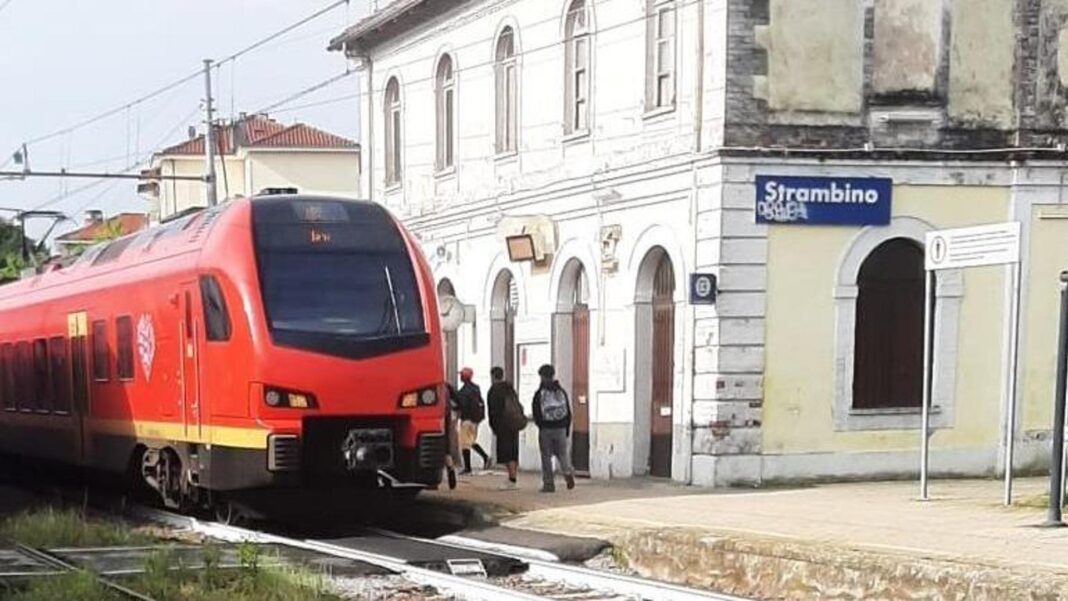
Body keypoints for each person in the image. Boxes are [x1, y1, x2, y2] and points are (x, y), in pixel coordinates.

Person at [532, 364, 576, 493]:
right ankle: (567, 472)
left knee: (546, 456)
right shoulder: (561, 392)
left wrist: (540, 424)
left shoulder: (540, 393)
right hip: (561, 428)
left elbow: (536, 411)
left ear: (542, 376)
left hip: (546, 429)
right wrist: (566, 428)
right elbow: (568, 412)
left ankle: (549, 484)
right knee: (562, 454)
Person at [487, 366, 522, 490]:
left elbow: (493, 411)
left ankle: (512, 479)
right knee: (513, 452)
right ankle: (513, 477)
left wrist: (494, 427)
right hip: (514, 424)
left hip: (503, 426)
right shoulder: (509, 388)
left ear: (493, 376)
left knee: (506, 453)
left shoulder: (494, 390)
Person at [456, 367, 490, 473]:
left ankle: (468, 467)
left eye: (461, 375)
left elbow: (461, 405)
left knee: (464, 443)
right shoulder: (476, 388)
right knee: (470, 441)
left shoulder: (463, 391)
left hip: (466, 419)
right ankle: (485, 457)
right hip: (476, 420)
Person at [443, 383, 461, 489]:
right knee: (446, 446)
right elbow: (458, 401)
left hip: (434, 417)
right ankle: (450, 466)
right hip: (446, 416)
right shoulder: (446, 386)